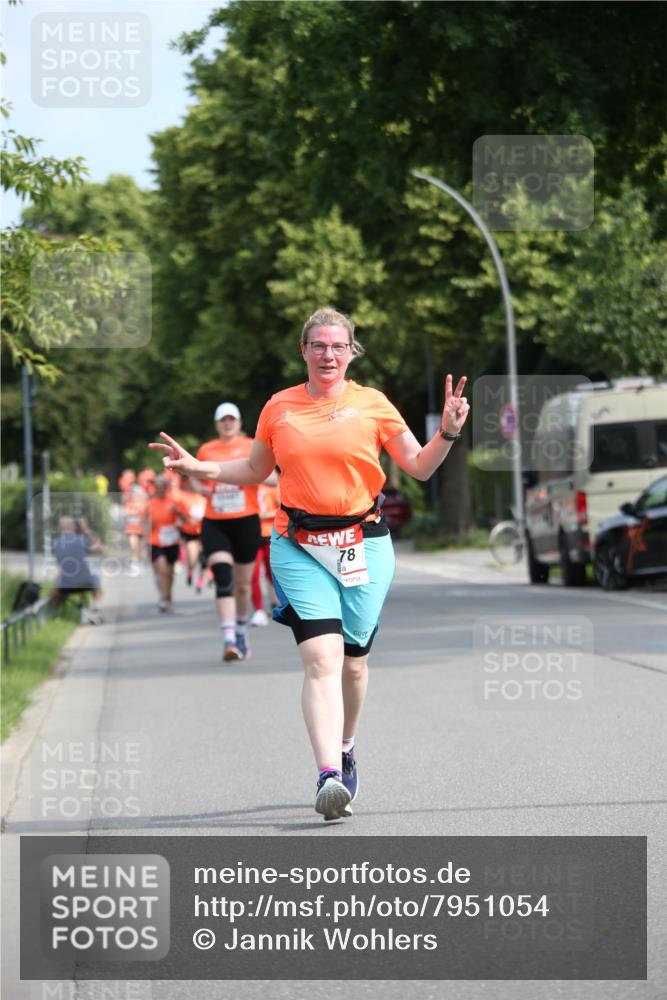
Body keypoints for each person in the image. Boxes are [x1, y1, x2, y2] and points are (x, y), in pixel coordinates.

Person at [150, 306, 469, 820]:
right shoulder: (279, 407)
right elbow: (255, 468)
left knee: (354, 663)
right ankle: (328, 776)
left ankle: (346, 745)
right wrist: (199, 467)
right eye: (318, 345)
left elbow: (419, 466)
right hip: (298, 545)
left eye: (338, 346)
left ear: (351, 352)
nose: (328, 354)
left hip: (363, 543)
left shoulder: (373, 404)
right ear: (303, 350)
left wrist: (448, 433)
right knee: (321, 660)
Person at [193, 403, 264, 661]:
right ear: (216, 424)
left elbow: (270, 474)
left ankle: (241, 628)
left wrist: (264, 478)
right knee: (223, 577)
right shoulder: (206, 450)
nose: (227, 423)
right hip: (215, 521)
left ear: (239, 423)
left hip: (246, 520)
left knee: (243, 586)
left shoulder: (252, 446)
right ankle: (229, 639)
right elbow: (193, 473)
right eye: (223, 419)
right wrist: (198, 487)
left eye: (232, 419)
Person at [50, 515, 103, 624]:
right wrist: (86, 530)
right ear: (75, 527)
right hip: (85, 582)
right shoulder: (81, 539)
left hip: (65, 584)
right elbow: (98, 549)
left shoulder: (55, 543)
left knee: (56, 585)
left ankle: (54, 615)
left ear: (59, 528)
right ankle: (96, 609)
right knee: (96, 579)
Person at [146, 476, 181, 612]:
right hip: (156, 541)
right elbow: (145, 523)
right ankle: (164, 598)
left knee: (170, 573)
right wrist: (145, 540)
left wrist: (178, 513)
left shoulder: (173, 502)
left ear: (166, 488)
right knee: (162, 571)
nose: (159, 489)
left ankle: (168, 595)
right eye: (157, 487)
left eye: (162, 487)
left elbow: (183, 520)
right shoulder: (150, 503)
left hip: (172, 541)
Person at [250, 482, 279, 626]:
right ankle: (258, 610)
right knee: (253, 574)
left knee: (271, 572)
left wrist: (265, 515)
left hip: (269, 535)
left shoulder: (271, 488)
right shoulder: (247, 487)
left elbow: (283, 509)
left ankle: (278, 601)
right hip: (251, 535)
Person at [173, 476, 206, 586]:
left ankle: (201, 580)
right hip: (190, 532)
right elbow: (178, 513)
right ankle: (190, 571)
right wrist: (185, 518)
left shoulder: (203, 498)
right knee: (192, 557)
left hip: (204, 532)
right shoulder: (183, 497)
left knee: (204, 558)